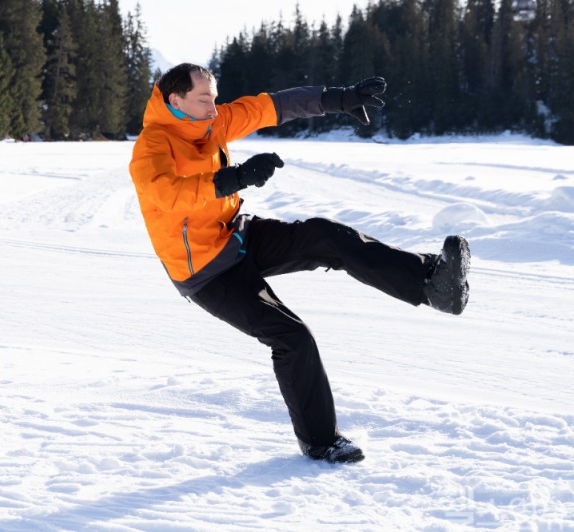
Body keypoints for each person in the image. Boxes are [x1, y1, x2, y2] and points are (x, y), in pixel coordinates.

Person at [128, 63, 470, 464]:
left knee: (323, 235)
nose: (214, 107)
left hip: (236, 235)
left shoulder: (210, 123)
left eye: (215, 98)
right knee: (293, 337)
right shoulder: (152, 145)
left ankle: (432, 283)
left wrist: (337, 99)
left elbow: (270, 107)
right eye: (205, 99)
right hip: (206, 271)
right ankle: (321, 440)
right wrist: (232, 180)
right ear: (176, 100)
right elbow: (165, 194)